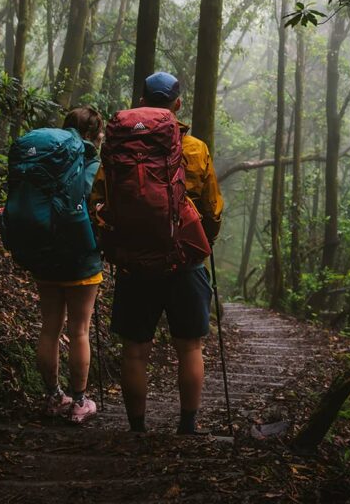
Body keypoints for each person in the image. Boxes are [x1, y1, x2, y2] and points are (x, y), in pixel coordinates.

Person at [91, 72, 223, 434]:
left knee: (135, 349)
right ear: (177, 104)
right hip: (184, 260)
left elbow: (98, 200)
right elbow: (211, 209)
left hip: (134, 260)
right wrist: (202, 241)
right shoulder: (193, 149)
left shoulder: (118, 149)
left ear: (140, 100)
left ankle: (136, 429)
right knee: (190, 346)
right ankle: (187, 426)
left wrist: (115, 242)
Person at [34, 106, 104, 424]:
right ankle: (78, 401)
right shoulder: (91, 161)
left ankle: (51, 397)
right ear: (93, 134)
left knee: (50, 327)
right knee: (79, 331)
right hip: (80, 257)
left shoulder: (47, 156)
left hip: (45, 253)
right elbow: (90, 201)